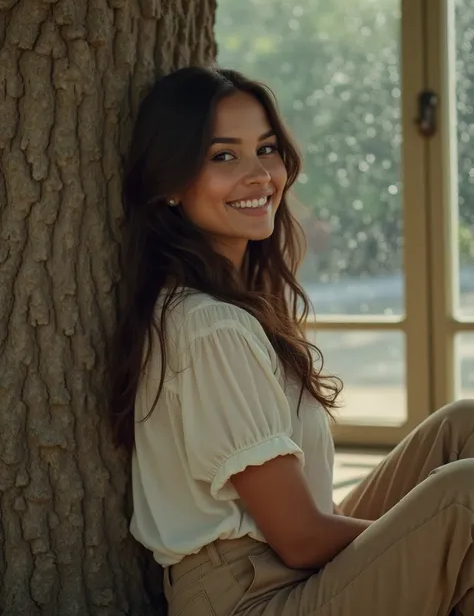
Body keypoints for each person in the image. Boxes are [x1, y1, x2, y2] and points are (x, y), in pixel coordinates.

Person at [108, 65, 474, 616]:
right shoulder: (210, 328)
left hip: (285, 568)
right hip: (252, 598)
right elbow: (300, 538)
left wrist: (425, 540)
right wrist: (428, 537)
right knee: (465, 496)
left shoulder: (236, 302)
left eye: (268, 149)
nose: (259, 175)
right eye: (223, 156)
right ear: (171, 186)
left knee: (461, 427)